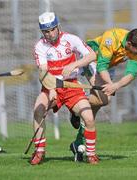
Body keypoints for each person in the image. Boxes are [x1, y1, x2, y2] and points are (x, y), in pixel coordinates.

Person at [62, 28, 137, 161]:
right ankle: (76, 102)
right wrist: (110, 84)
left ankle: (78, 143)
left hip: (108, 65)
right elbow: (101, 66)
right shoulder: (112, 38)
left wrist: (116, 85)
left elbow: (132, 73)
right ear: (129, 44)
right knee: (104, 99)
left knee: (94, 108)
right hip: (92, 58)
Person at [30, 12, 99, 165]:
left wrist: (74, 64)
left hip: (71, 86)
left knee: (88, 117)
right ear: (42, 32)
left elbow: (92, 55)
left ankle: (91, 154)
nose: (50, 34)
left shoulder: (71, 39)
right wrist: (51, 88)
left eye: (52, 29)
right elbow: (43, 72)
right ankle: (39, 152)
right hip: (50, 87)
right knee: (38, 110)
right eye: (46, 31)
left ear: (58, 27)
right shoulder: (40, 47)